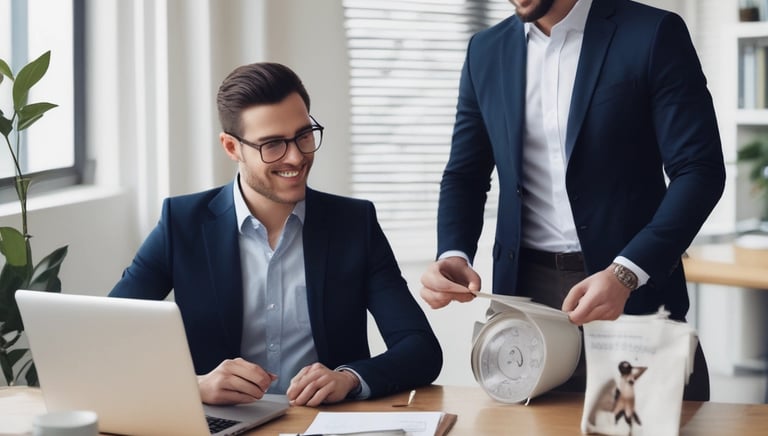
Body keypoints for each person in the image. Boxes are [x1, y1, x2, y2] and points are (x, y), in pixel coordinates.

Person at [419, 0, 725, 401]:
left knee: (645, 425)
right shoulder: (485, 50)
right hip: (524, 303)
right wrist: (454, 252)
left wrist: (627, 272)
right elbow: (465, 174)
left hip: (629, 292)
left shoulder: (652, 34)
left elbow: (699, 171)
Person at [110, 62, 442, 407]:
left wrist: (348, 379)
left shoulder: (355, 224)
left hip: (324, 422)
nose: (296, 157)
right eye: (272, 144)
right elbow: (107, 337)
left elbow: (420, 349)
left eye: (304, 135)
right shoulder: (182, 224)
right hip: (220, 421)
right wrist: (194, 386)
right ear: (231, 147)